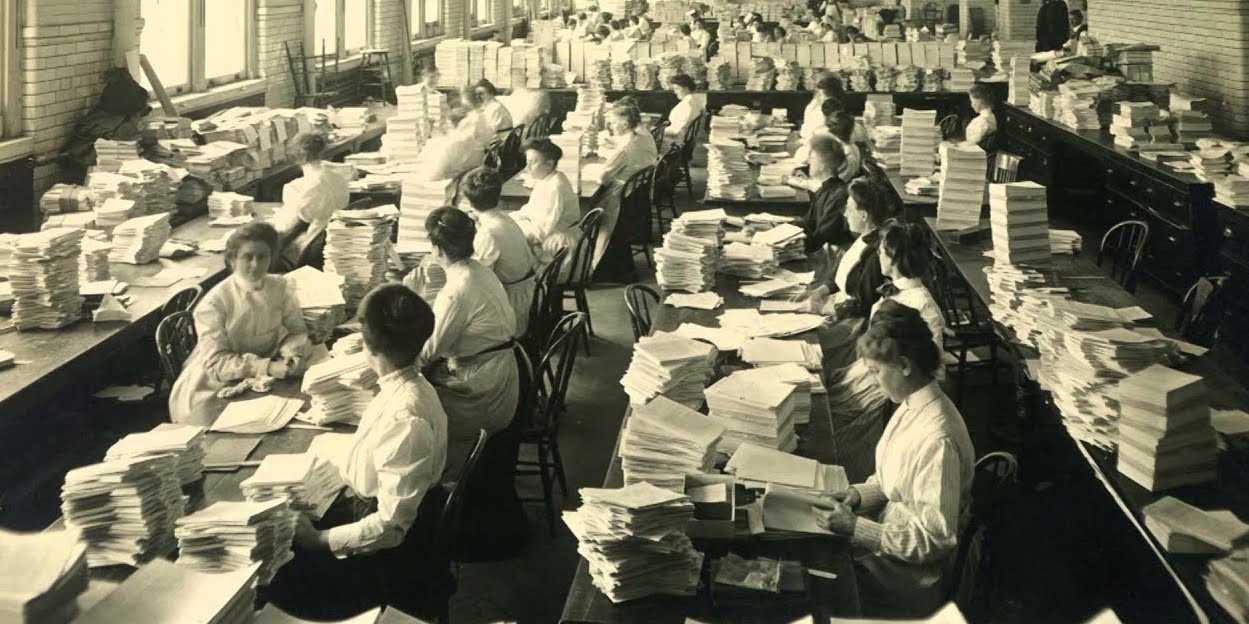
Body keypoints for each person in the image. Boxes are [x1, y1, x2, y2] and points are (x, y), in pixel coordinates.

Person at [266, 284, 450, 619]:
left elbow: (391, 529)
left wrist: (318, 540)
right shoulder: (409, 385)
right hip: (384, 520)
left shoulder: (405, 417)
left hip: (391, 565)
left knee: (273, 571)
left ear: (368, 345)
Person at [814, 300, 975, 617]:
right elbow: (893, 483)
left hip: (908, 578)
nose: (872, 380)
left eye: (875, 371)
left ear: (904, 365)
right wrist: (857, 496)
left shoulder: (937, 438)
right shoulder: (912, 404)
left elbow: (936, 539)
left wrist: (856, 528)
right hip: (889, 546)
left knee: (816, 589)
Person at [825, 219, 945, 480]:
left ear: (893, 257)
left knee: (831, 418)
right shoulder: (895, 291)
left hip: (891, 385)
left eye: (881, 252)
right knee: (824, 390)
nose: (878, 255)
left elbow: (933, 367)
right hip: (873, 370)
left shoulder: (923, 306)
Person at [169, 223, 310, 426]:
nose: (255, 265)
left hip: (264, 377)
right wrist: (267, 367)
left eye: (263, 257)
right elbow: (217, 363)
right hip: (214, 384)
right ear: (233, 260)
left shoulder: (280, 286)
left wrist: (292, 355)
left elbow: (296, 330)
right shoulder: (214, 303)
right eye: (247, 257)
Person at [414, 207, 520, 479]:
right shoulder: (477, 270)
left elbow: (428, 351)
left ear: (437, 249)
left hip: (484, 392)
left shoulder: (457, 290)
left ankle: (440, 484)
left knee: (414, 420)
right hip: (501, 374)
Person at [802, 178, 895, 364]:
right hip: (839, 313)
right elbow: (841, 273)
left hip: (853, 328)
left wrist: (831, 313)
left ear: (864, 215)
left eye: (849, 208)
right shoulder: (863, 237)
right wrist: (820, 291)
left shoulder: (876, 253)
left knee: (804, 347)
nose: (844, 214)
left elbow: (864, 304)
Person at [457, 167, 537, 338]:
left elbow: (480, 280)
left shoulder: (489, 232)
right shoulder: (505, 218)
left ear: (468, 202)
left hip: (514, 306)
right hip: (528, 293)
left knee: (459, 329)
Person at [273, 133, 349, 270]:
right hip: (333, 241)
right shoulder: (339, 178)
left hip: (312, 250)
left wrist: (273, 246)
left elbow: (296, 228)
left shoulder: (312, 186)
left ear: (297, 157)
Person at [514, 137, 581, 265]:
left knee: (507, 248)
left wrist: (512, 228)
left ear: (549, 164)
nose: (526, 168)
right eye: (527, 162)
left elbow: (540, 233)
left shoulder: (554, 187)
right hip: (551, 237)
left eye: (532, 163)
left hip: (559, 249)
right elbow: (529, 210)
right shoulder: (546, 179)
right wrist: (508, 218)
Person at [788, 135, 852, 256]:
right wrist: (776, 227)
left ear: (823, 165)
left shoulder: (839, 196)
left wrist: (787, 243)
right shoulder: (825, 189)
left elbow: (819, 240)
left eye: (812, 158)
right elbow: (807, 223)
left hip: (827, 258)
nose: (808, 162)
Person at [598, 102, 658, 183]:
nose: (611, 127)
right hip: (640, 186)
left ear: (625, 125)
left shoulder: (624, 149)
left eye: (614, 123)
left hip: (619, 192)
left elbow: (602, 179)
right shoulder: (639, 136)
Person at [666, 73, 705, 140]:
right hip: (678, 136)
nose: (675, 92)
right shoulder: (692, 100)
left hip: (675, 140)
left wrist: (659, 130)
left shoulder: (687, 105)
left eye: (677, 89)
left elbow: (677, 131)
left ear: (686, 88)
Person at [828, 109, 863, 181]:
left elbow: (836, 180)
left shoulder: (844, 152)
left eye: (830, 125)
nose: (828, 129)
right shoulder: (854, 147)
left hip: (838, 187)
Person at [965, 84, 999, 151]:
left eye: (972, 102)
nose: (971, 105)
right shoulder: (991, 116)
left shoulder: (982, 121)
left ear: (979, 102)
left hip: (975, 152)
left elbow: (973, 143)